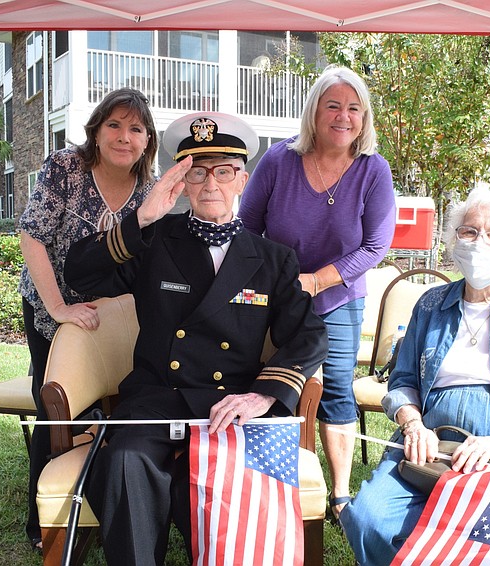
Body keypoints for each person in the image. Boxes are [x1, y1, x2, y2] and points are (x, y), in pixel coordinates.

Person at [64, 111, 328, 565]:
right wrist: (140, 219)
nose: (210, 184)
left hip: (230, 408)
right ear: (182, 182)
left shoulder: (272, 259)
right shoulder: (154, 240)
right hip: (155, 402)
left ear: (242, 179)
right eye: (197, 172)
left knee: (233, 485)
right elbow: (78, 274)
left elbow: (309, 333)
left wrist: (262, 397)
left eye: (223, 171)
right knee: (125, 463)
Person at [339, 186, 490, 565]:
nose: (478, 242)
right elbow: (402, 382)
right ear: (454, 240)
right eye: (469, 231)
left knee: (483, 542)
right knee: (368, 520)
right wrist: (413, 426)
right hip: (429, 444)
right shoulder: (431, 304)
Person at [238, 65, 396, 519]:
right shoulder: (278, 159)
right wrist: (273, 280)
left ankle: (340, 494)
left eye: (354, 108)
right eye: (333, 105)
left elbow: (376, 245)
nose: (343, 116)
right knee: (266, 381)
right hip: (273, 296)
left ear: (363, 119)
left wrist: (314, 281)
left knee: (337, 390)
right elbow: (248, 226)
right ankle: (270, 479)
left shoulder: (373, 170)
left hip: (339, 298)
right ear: (314, 111)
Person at [17, 87, 159, 551]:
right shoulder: (67, 168)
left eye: (135, 129)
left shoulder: (149, 189)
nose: (124, 136)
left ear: (148, 141)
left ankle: (99, 497)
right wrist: (59, 309)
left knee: (115, 405)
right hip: (51, 305)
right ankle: (46, 523)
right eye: (114, 125)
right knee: (55, 406)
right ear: (96, 131)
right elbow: (32, 237)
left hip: (111, 317)